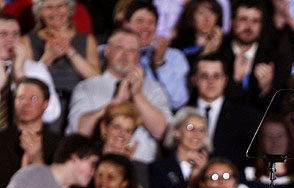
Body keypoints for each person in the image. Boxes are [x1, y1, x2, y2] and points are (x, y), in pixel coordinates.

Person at [66, 27, 171, 165]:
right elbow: (78, 132)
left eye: (132, 51)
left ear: (139, 57)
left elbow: (163, 132)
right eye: (119, 48)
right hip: (97, 166)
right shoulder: (87, 87)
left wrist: (137, 95)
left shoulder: (153, 88)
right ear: (107, 51)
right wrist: (116, 102)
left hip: (143, 166)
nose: (125, 55)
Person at [22, 0, 101, 131]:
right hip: (44, 109)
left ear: (69, 9)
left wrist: (69, 50)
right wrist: (48, 57)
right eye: (49, 8)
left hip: (79, 107)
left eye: (60, 6)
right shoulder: (27, 41)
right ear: (39, 11)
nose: (55, 13)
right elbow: (27, 84)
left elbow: (97, 80)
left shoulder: (87, 40)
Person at [186, 53, 259, 172]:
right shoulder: (182, 114)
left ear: (225, 80)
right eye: (204, 76)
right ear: (194, 80)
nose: (211, 81)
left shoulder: (245, 116)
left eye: (216, 76)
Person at [121, 1, 190, 111]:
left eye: (151, 22)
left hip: (160, 117)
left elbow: (178, 101)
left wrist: (160, 63)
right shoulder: (110, 53)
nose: (145, 27)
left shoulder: (174, 57)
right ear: (126, 24)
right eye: (140, 21)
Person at [0, 78, 62, 188]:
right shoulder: (2, 140)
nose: (26, 104)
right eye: (21, 98)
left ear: (45, 104)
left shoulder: (58, 144)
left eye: (33, 98)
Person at [0, 12, 62, 129]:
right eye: (3, 34)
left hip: (22, 135)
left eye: (15, 34)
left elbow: (52, 113)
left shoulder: (35, 69)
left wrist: (20, 76)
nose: (11, 40)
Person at [219, 0, 280, 110]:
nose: (249, 26)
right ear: (232, 23)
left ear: (261, 26)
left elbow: (277, 108)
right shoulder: (219, 54)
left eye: (255, 21)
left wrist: (266, 89)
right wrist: (235, 81)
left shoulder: (273, 57)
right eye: (243, 19)